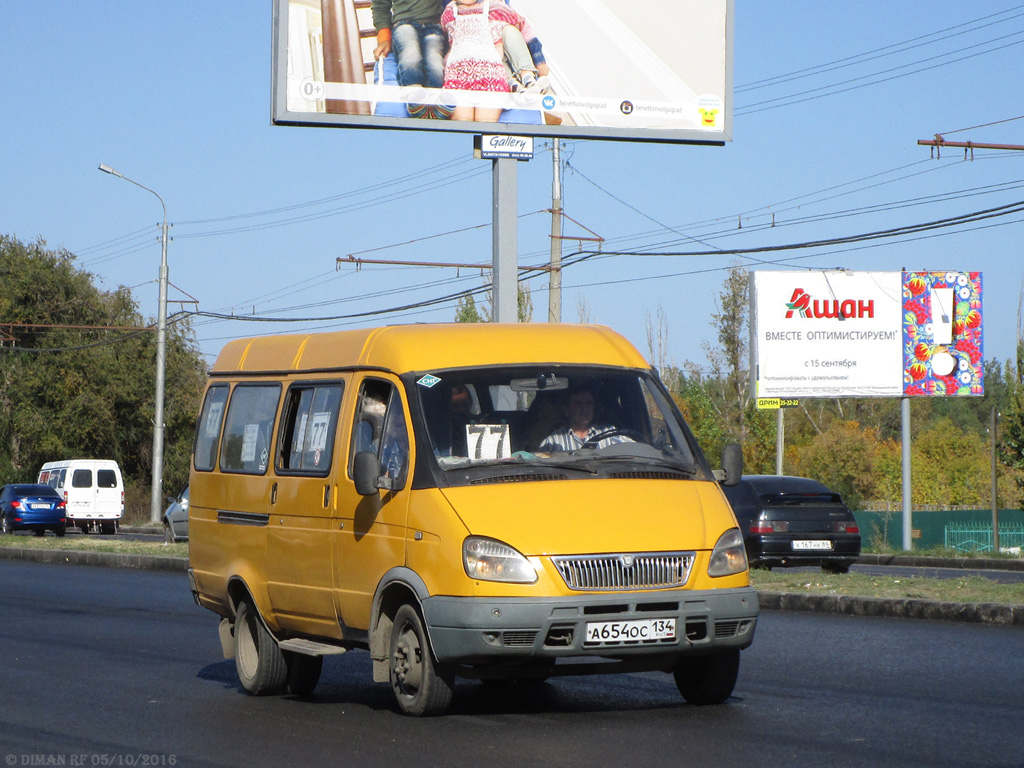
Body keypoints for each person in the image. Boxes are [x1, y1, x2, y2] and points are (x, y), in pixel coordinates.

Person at [440, 0, 542, 121]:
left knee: (486, 125)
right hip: (457, 82)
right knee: (461, 124)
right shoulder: (448, 12)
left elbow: (523, 25)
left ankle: (524, 81)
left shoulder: (496, 8)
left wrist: (539, 60)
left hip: (491, 81)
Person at [371, 0, 449, 118]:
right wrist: (384, 38)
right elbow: (380, 6)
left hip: (433, 26)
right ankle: (414, 101)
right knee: (411, 55)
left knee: (435, 64)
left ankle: (433, 105)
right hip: (403, 24)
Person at [539, 388, 631, 452]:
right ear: (566, 410)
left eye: (589, 403)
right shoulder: (552, 442)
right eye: (578, 403)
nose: (585, 408)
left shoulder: (610, 434)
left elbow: (636, 451)